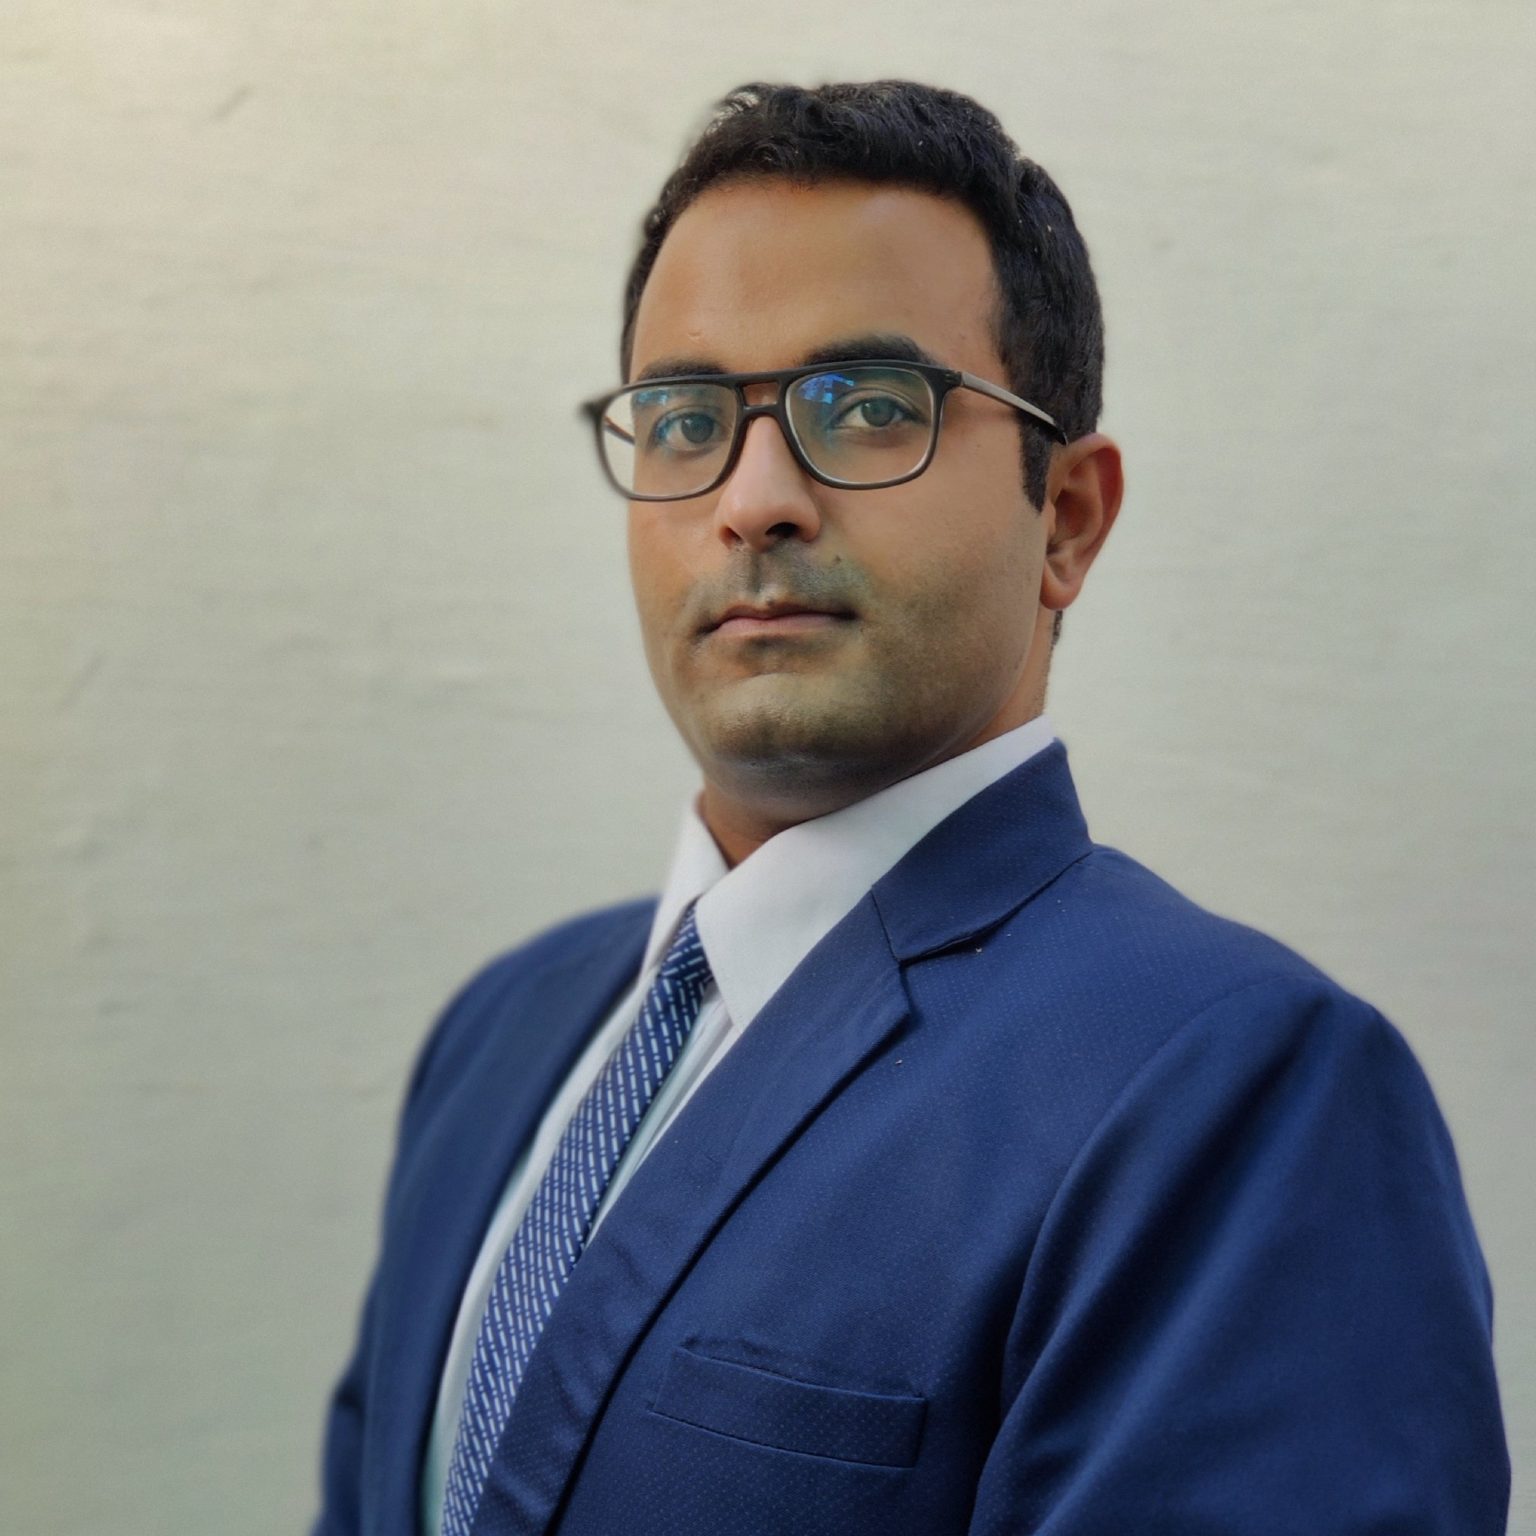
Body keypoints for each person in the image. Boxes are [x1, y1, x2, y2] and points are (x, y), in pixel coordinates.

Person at [311, 80, 1510, 1536]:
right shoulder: (504, 1035)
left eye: (871, 408)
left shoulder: (1238, 1093)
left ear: (1066, 519)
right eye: (685, 418)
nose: (753, 499)